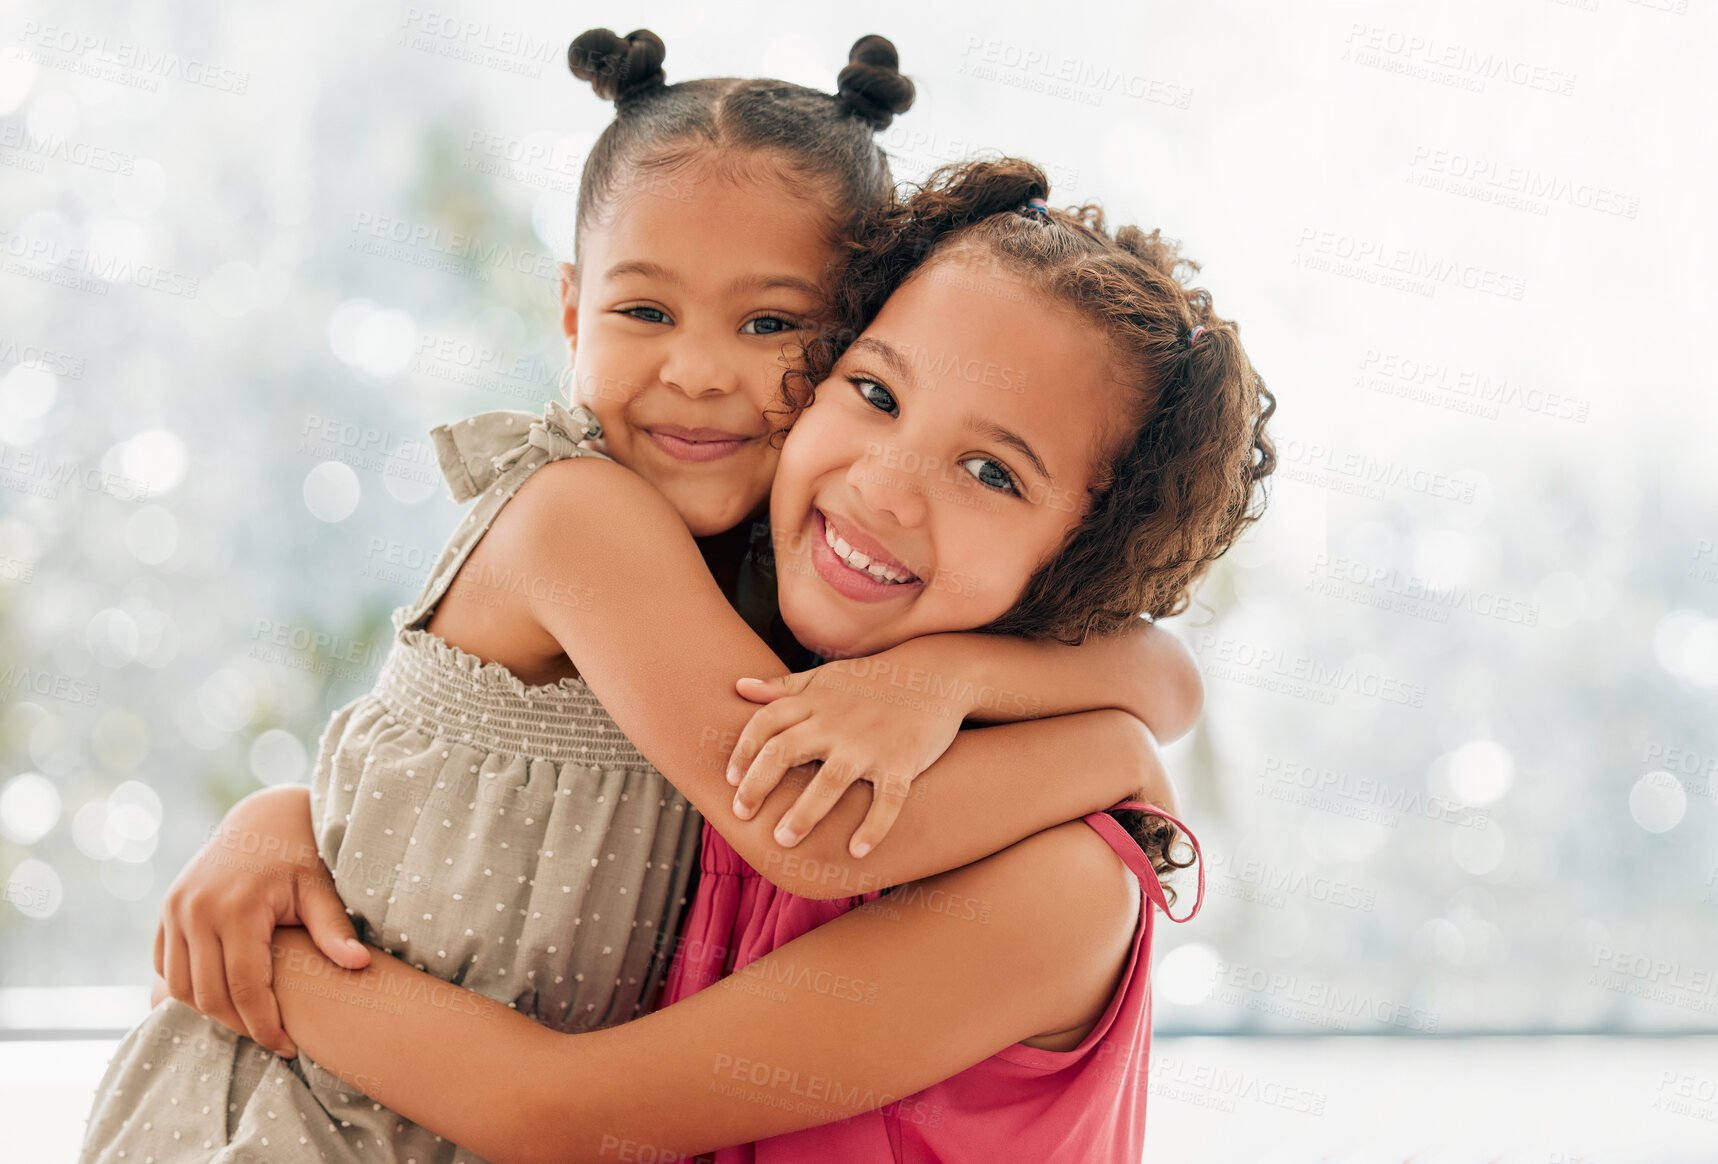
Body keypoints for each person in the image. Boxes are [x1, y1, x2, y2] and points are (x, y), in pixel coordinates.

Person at [79, 31, 1195, 1164]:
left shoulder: (785, 586)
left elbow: (1161, 670)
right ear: (571, 310)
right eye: (643, 312)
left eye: (770, 326)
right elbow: (802, 830)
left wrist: (1016, 699)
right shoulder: (585, 514)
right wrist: (1113, 751)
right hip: (323, 1111)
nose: (701, 371)